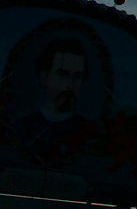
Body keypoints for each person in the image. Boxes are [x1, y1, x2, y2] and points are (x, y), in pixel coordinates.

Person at [13, 37, 99, 166]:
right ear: (44, 78)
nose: (70, 85)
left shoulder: (89, 132)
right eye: (63, 75)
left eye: (77, 77)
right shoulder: (20, 126)